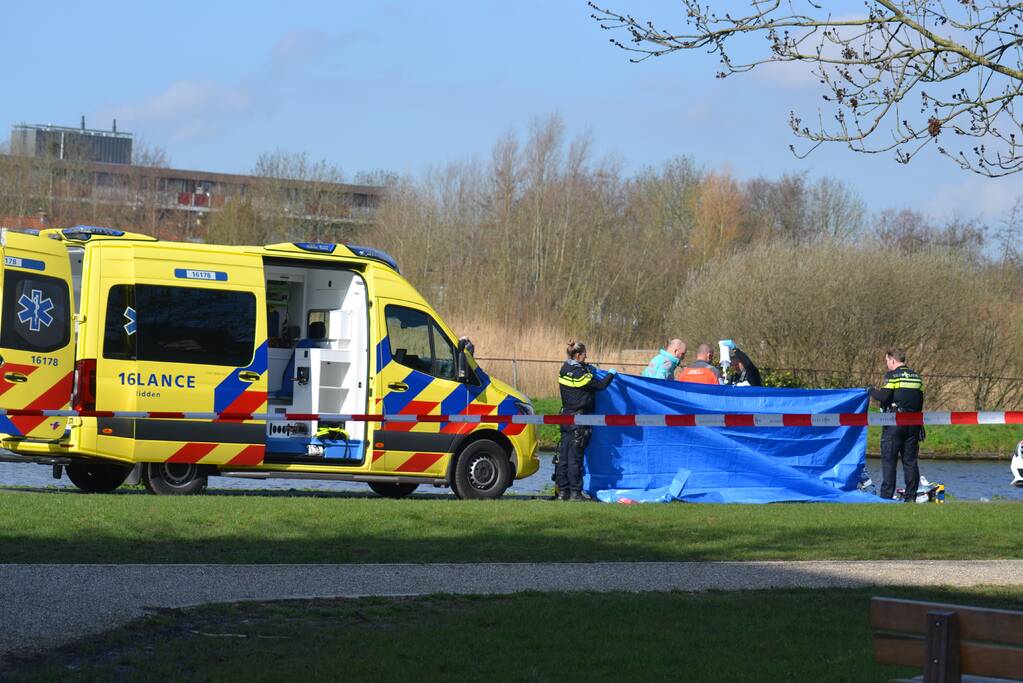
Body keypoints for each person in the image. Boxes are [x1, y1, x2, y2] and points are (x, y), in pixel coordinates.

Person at [555, 340, 617, 501]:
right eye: (584, 354)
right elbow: (600, 385)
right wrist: (612, 374)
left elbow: (580, 375)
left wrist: (586, 367)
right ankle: (575, 493)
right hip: (579, 420)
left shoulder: (564, 369)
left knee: (563, 457)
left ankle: (563, 491)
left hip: (566, 417)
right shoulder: (580, 374)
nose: (586, 356)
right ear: (578, 355)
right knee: (575, 458)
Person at [868, 347, 924, 502]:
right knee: (910, 462)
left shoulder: (892, 375)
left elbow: (884, 397)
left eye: (887, 361)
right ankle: (911, 497)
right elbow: (920, 401)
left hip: (895, 422)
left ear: (892, 359)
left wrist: (870, 390)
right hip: (913, 423)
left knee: (889, 461)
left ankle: (886, 497)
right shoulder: (917, 377)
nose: (887, 364)